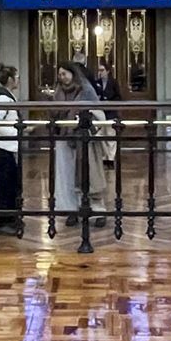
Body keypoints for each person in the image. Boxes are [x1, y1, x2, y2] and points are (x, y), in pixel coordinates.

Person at [52, 62, 110, 228]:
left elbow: (97, 113)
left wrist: (82, 122)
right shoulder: (58, 92)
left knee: (90, 175)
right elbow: (55, 112)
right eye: (60, 74)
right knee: (69, 176)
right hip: (65, 137)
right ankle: (73, 210)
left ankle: (99, 211)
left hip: (85, 140)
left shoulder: (86, 90)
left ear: (73, 73)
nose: (62, 77)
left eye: (65, 73)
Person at [0, 62, 22, 236]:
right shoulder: (2, 98)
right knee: (4, 185)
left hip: (5, 146)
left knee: (9, 183)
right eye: (16, 77)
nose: (18, 80)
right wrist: (15, 132)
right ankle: (1, 221)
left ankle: (9, 217)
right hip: (1, 146)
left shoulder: (6, 96)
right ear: (10, 80)